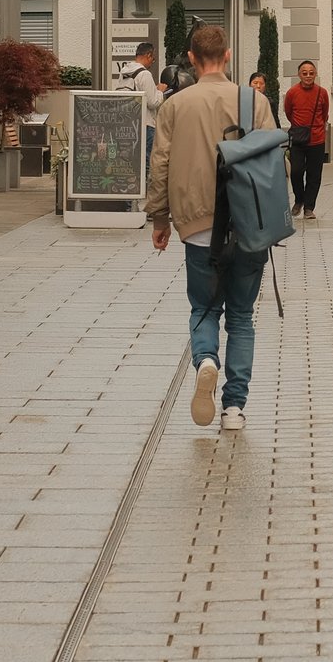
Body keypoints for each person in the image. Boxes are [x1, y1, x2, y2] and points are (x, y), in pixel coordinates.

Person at [145, 24, 278, 431]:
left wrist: (160, 217)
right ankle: (234, 408)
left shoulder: (174, 106)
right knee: (241, 316)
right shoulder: (253, 100)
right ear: (229, 55)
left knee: (204, 307)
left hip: (198, 226)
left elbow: (161, 164)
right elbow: (276, 163)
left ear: (190, 58)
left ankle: (205, 359)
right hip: (248, 225)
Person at [281, 60, 328, 219]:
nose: (308, 76)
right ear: (299, 74)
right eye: (304, 73)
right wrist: (299, 126)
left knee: (314, 175)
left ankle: (309, 207)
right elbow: (288, 112)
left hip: (317, 139)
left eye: (311, 73)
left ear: (315, 74)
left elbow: (324, 113)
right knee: (295, 171)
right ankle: (299, 199)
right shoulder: (292, 92)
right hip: (298, 139)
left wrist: (317, 127)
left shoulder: (322, 92)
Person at [121, 41, 167, 171]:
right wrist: (160, 91)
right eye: (153, 58)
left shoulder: (124, 72)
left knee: (133, 161)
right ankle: (145, 189)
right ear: (148, 55)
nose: (153, 62)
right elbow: (153, 102)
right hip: (145, 124)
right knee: (147, 161)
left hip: (129, 124)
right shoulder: (144, 74)